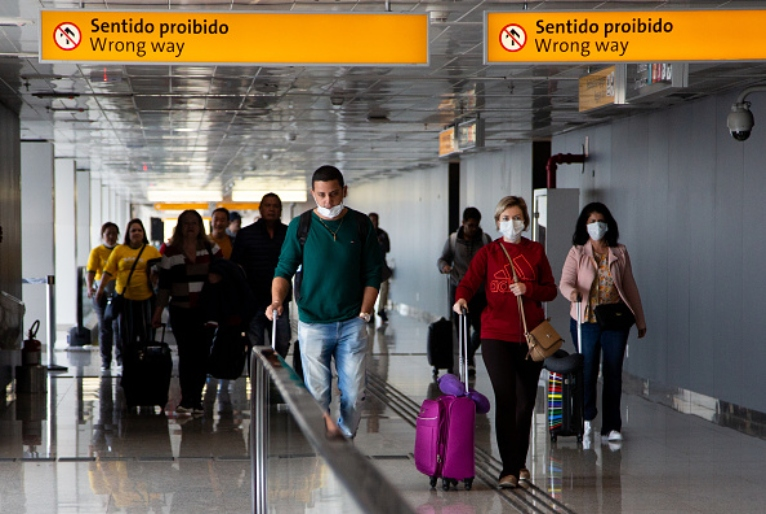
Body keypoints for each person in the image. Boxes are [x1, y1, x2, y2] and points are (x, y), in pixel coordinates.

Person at [267, 165, 383, 438]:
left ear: (344, 191)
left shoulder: (360, 224)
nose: (328, 201)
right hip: (313, 322)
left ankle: (344, 441)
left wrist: (365, 312)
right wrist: (276, 301)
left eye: (333, 194)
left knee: (354, 395)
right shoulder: (302, 225)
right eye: (321, 195)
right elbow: (284, 269)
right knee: (318, 396)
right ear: (313, 194)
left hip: (352, 322)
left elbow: (373, 272)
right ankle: (327, 455)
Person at [453, 196, 557, 489]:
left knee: (525, 404)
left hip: (530, 337)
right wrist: (461, 298)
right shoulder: (489, 252)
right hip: (495, 335)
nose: (512, 223)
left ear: (525, 220)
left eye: (517, 217)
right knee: (506, 398)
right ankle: (508, 470)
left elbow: (551, 291)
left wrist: (529, 288)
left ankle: (519, 462)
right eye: (505, 218)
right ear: (498, 222)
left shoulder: (536, 251)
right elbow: (470, 281)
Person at [559, 202, 646, 442]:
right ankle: (587, 418)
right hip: (585, 319)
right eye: (591, 221)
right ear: (584, 226)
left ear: (608, 223)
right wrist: (572, 293)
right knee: (587, 370)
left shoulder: (620, 251)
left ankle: (612, 426)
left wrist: (640, 319)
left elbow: (630, 286)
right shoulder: (577, 252)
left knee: (612, 370)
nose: (597, 225)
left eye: (600, 220)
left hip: (614, 320)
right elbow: (565, 281)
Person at [152, 210, 222, 416]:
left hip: (205, 311)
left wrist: (218, 278)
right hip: (181, 311)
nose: (190, 227)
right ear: (180, 227)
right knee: (186, 355)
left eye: (194, 223)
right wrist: (157, 312)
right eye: (186, 223)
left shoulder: (211, 249)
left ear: (200, 226)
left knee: (201, 355)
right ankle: (186, 398)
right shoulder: (171, 252)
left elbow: (225, 271)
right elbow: (164, 286)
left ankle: (196, 399)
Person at [231, 193, 290, 357]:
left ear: (280, 210)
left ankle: (274, 380)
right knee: (254, 345)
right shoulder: (246, 234)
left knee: (282, 342)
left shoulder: (288, 233)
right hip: (253, 300)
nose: (271, 209)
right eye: (268, 205)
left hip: (280, 300)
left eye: (275, 206)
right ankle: (257, 380)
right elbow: (235, 266)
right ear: (260, 209)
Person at [96, 219, 162, 366]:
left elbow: (160, 271)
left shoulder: (151, 251)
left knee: (147, 334)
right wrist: (100, 289)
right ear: (128, 234)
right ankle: (129, 366)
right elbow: (108, 271)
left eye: (139, 230)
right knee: (126, 336)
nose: (136, 233)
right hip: (125, 300)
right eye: (133, 230)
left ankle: (146, 364)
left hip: (146, 299)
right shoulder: (119, 251)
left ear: (143, 233)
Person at [437, 207, 492, 376]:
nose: (473, 229)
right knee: (462, 327)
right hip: (459, 289)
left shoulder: (484, 240)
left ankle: (468, 354)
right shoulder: (453, 240)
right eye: (470, 225)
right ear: (463, 223)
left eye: (476, 225)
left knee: (483, 329)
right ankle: (468, 362)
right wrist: (444, 267)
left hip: (480, 291)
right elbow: (442, 259)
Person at [86, 222, 121, 371]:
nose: (111, 237)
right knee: (104, 327)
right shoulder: (97, 251)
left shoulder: (121, 250)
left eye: (114, 233)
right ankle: (106, 360)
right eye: (108, 234)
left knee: (118, 326)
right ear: (102, 235)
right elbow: (91, 271)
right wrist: (89, 288)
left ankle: (120, 359)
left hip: (118, 292)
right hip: (101, 292)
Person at [368, 212, 391, 322]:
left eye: (376, 221)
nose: (374, 223)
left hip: (381, 265)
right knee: (369, 289)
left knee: (385, 287)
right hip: (368, 266)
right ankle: (370, 313)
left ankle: (381, 308)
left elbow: (387, 249)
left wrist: (379, 243)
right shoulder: (364, 234)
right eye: (372, 221)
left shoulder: (382, 234)